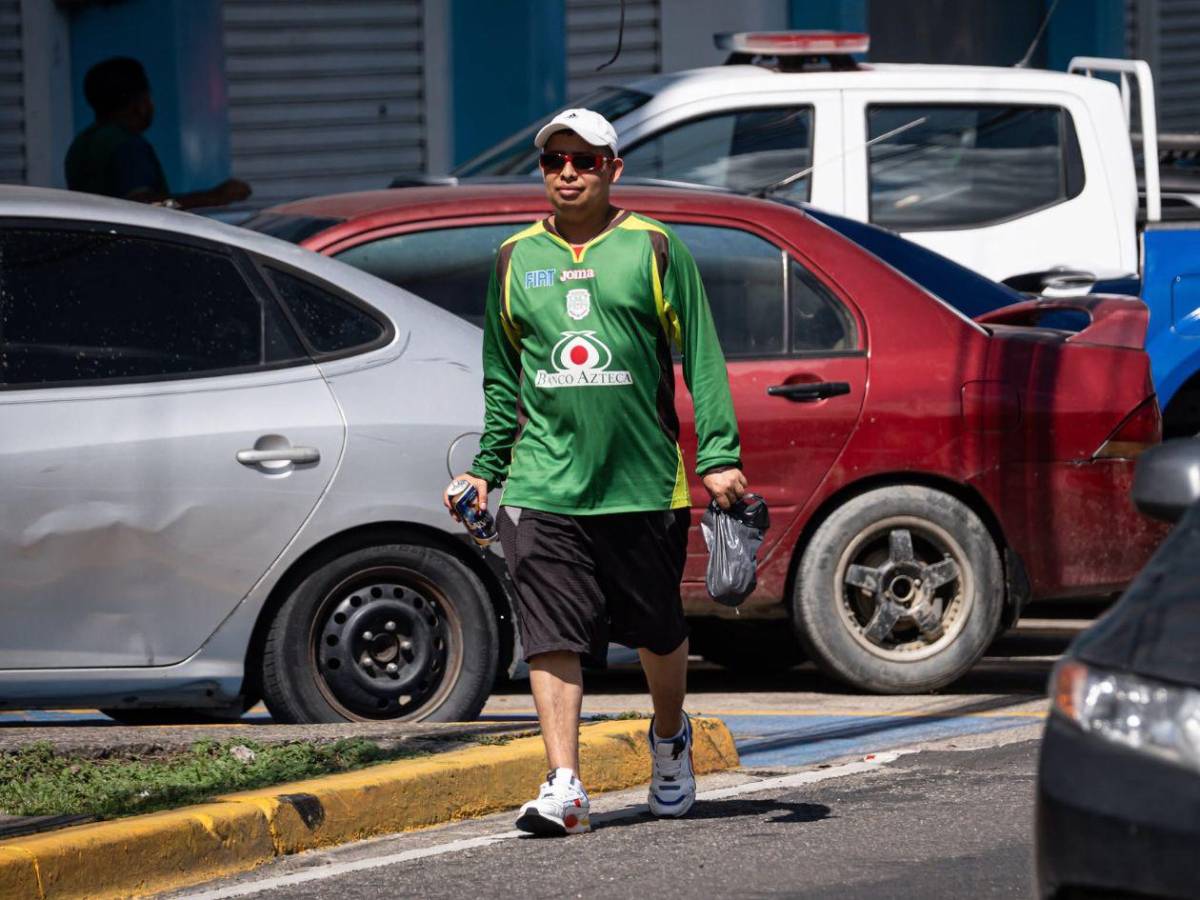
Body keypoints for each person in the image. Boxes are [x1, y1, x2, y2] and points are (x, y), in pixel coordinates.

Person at [444, 108, 746, 836]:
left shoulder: (654, 247)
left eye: (585, 160)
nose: (569, 173)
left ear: (613, 169)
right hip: (544, 483)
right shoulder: (514, 258)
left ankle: (669, 739)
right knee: (550, 633)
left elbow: (702, 356)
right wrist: (486, 469)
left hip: (642, 483)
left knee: (657, 631)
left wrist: (719, 455)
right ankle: (564, 783)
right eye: (555, 161)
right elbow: (501, 377)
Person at [64, 57, 251, 209]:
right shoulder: (127, 146)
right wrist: (212, 197)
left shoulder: (80, 145)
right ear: (139, 105)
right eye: (148, 97)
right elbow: (146, 206)